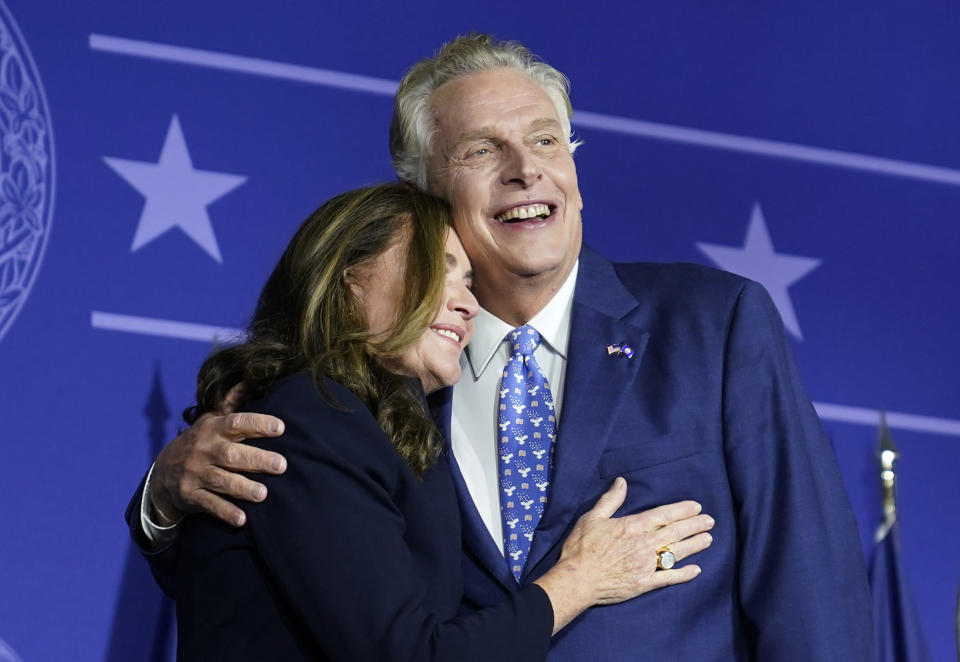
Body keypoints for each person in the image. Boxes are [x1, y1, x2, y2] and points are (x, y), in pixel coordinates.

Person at [128, 35, 874, 660]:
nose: (526, 167)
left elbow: (809, 586)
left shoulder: (714, 324)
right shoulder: (380, 386)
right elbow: (303, 586)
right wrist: (163, 501)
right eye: (483, 149)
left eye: (546, 139)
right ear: (424, 193)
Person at [162, 183, 713, 660]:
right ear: (351, 277)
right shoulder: (310, 415)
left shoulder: (374, 422)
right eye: (438, 269)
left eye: (468, 281)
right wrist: (583, 578)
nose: (467, 303)